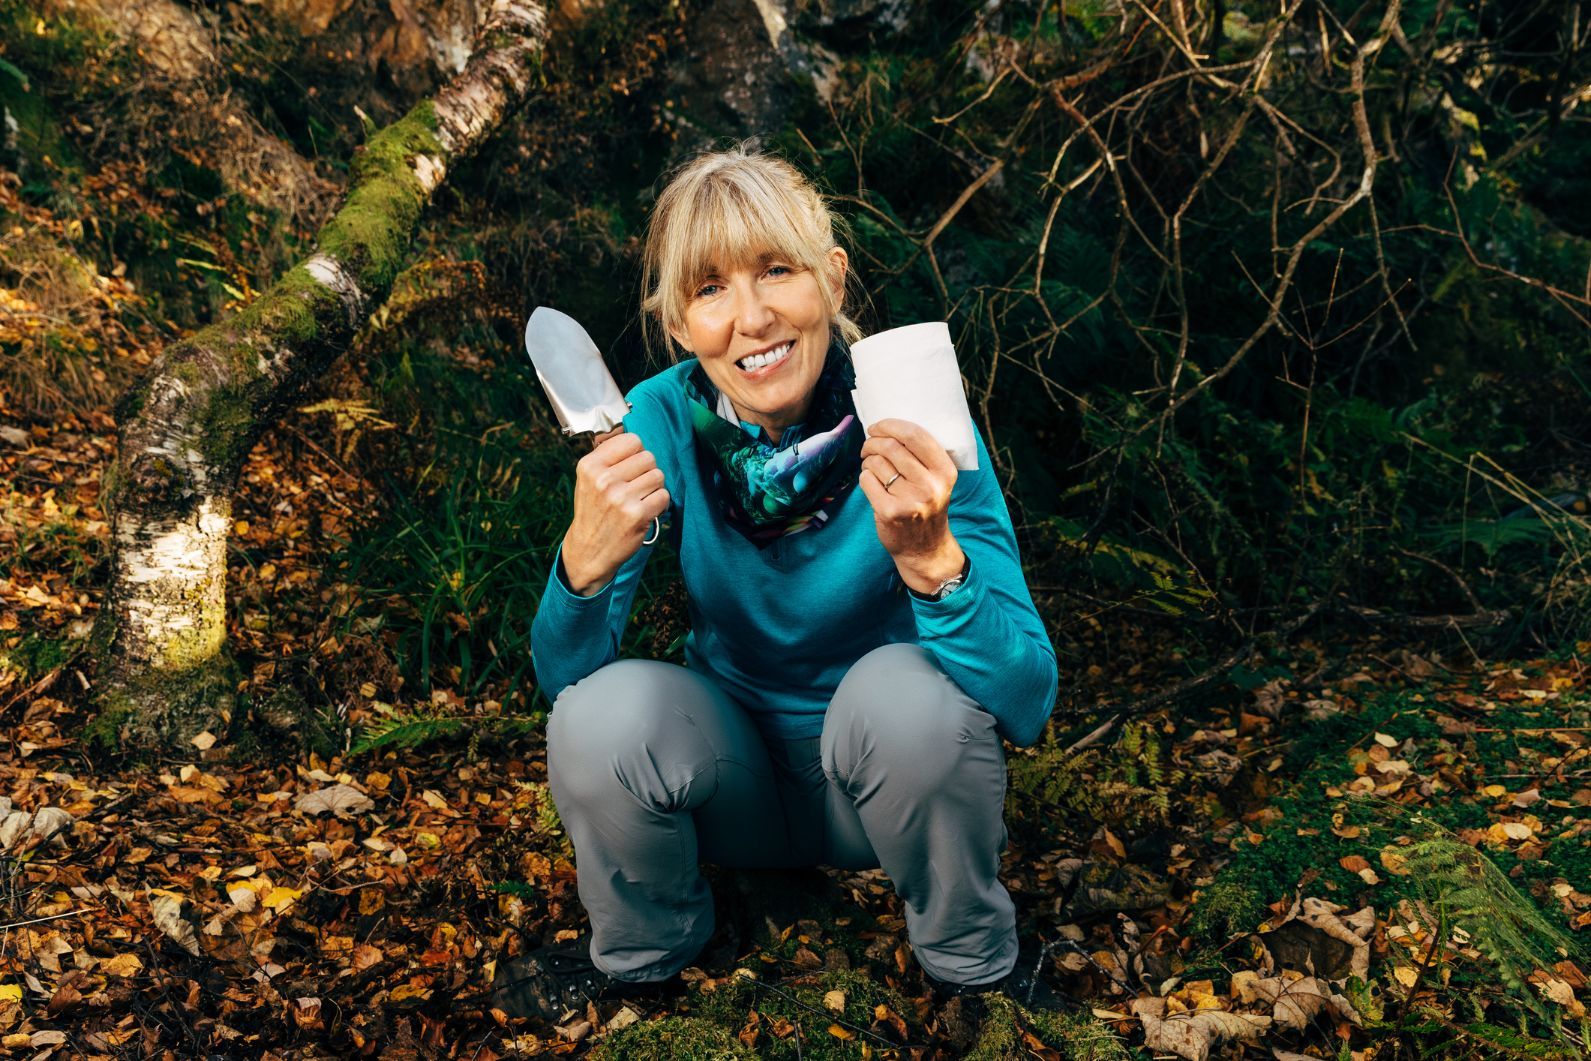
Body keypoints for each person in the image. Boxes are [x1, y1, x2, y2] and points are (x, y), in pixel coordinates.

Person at [493, 143, 1058, 1022]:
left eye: (775, 270)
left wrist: (933, 563)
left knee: (912, 699)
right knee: (599, 714)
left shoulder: (912, 416)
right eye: (709, 288)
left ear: (831, 280)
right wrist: (582, 564)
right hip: (732, 784)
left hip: (881, 789)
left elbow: (1027, 696)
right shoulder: (655, 420)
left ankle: (974, 967)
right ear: (679, 323)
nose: (750, 317)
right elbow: (564, 681)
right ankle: (646, 958)